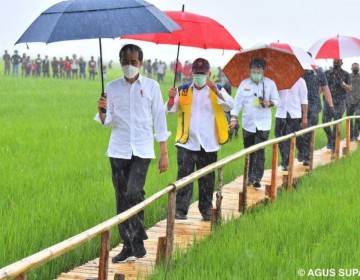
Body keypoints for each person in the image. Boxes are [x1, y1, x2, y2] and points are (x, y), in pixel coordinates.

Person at [95, 44, 169, 263]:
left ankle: (137, 239)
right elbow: (107, 122)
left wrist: (163, 152)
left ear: (141, 63)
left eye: (133, 62)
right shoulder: (111, 87)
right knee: (121, 198)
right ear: (120, 62)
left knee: (134, 193)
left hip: (143, 149)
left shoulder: (152, 86)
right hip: (118, 150)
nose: (129, 66)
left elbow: (160, 119)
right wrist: (101, 112)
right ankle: (130, 246)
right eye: (125, 62)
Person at [166, 58, 234, 221]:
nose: (199, 77)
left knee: (207, 179)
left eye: (203, 74)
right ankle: (180, 210)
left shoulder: (217, 89)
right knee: (184, 177)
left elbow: (230, 105)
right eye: (196, 73)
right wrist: (170, 98)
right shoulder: (182, 90)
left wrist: (216, 92)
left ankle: (206, 209)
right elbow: (169, 110)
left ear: (209, 74)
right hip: (187, 142)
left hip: (209, 143)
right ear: (191, 74)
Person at [230, 58, 279, 189]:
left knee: (259, 150)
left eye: (259, 71)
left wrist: (269, 103)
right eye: (253, 71)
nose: (256, 73)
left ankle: (256, 177)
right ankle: (249, 176)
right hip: (248, 124)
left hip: (264, 124)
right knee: (249, 151)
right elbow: (237, 103)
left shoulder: (270, 84)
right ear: (250, 70)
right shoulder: (244, 84)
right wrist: (233, 118)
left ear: (263, 71)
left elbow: (277, 100)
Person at [297, 59, 334, 165]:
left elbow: (325, 89)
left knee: (309, 130)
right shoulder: (298, 72)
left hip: (314, 106)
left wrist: (330, 105)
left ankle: (306, 155)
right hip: (299, 106)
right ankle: (302, 151)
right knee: (298, 131)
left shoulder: (319, 73)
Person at [275, 78, 308, 171]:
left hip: (294, 114)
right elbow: (274, 96)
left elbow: (304, 100)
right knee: (279, 137)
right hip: (280, 113)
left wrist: (304, 116)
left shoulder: (301, 81)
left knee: (289, 138)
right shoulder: (280, 80)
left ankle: (287, 161)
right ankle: (286, 159)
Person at [323, 59, 351, 152]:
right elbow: (322, 86)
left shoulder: (346, 74)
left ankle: (334, 143)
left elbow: (349, 89)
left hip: (340, 102)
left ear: (341, 62)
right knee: (325, 122)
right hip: (328, 101)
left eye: (337, 62)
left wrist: (342, 82)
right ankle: (330, 139)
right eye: (334, 62)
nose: (335, 64)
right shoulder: (327, 73)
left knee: (336, 123)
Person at [347, 63, 360, 141]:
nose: (355, 69)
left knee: (358, 116)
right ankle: (351, 135)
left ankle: (356, 133)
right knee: (350, 118)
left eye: (357, 68)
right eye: (354, 68)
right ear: (351, 68)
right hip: (349, 100)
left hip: (358, 100)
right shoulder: (348, 77)